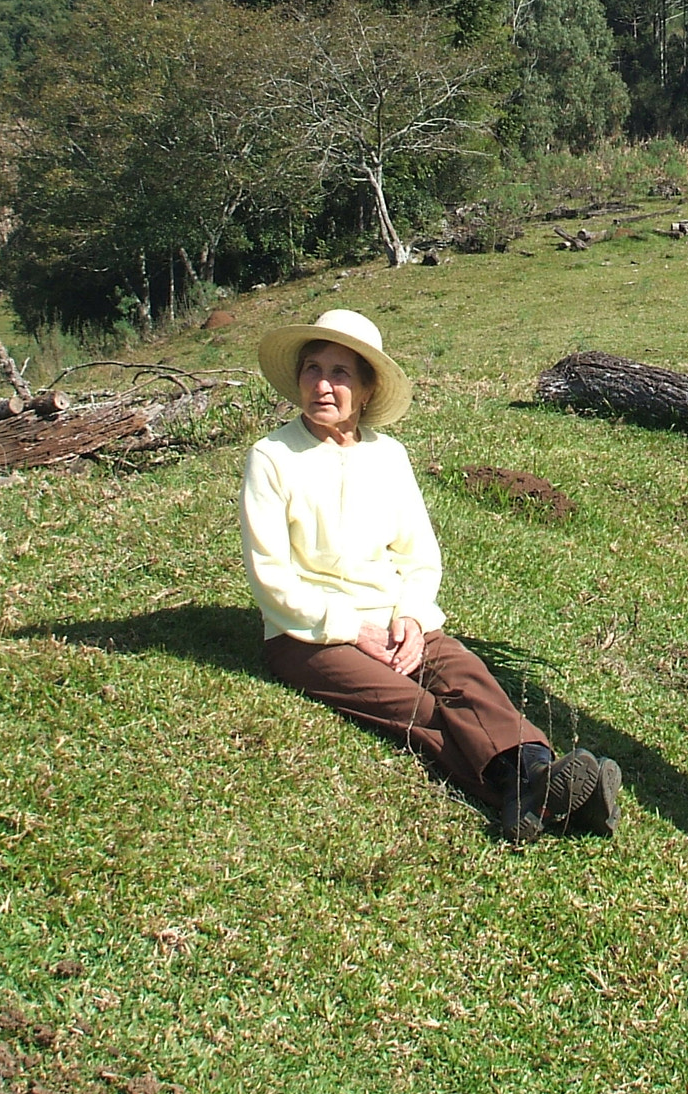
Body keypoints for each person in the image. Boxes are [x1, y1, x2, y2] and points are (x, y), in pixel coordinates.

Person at [241, 308, 620, 844]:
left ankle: (537, 773)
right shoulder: (272, 457)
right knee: (417, 708)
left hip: (397, 619)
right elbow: (271, 577)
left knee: (467, 677)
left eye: (340, 373)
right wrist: (354, 630)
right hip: (309, 635)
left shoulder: (388, 456)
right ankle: (538, 791)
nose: (323, 385)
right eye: (312, 369)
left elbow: (420, 557)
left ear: (367, 390)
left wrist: (413, 620)